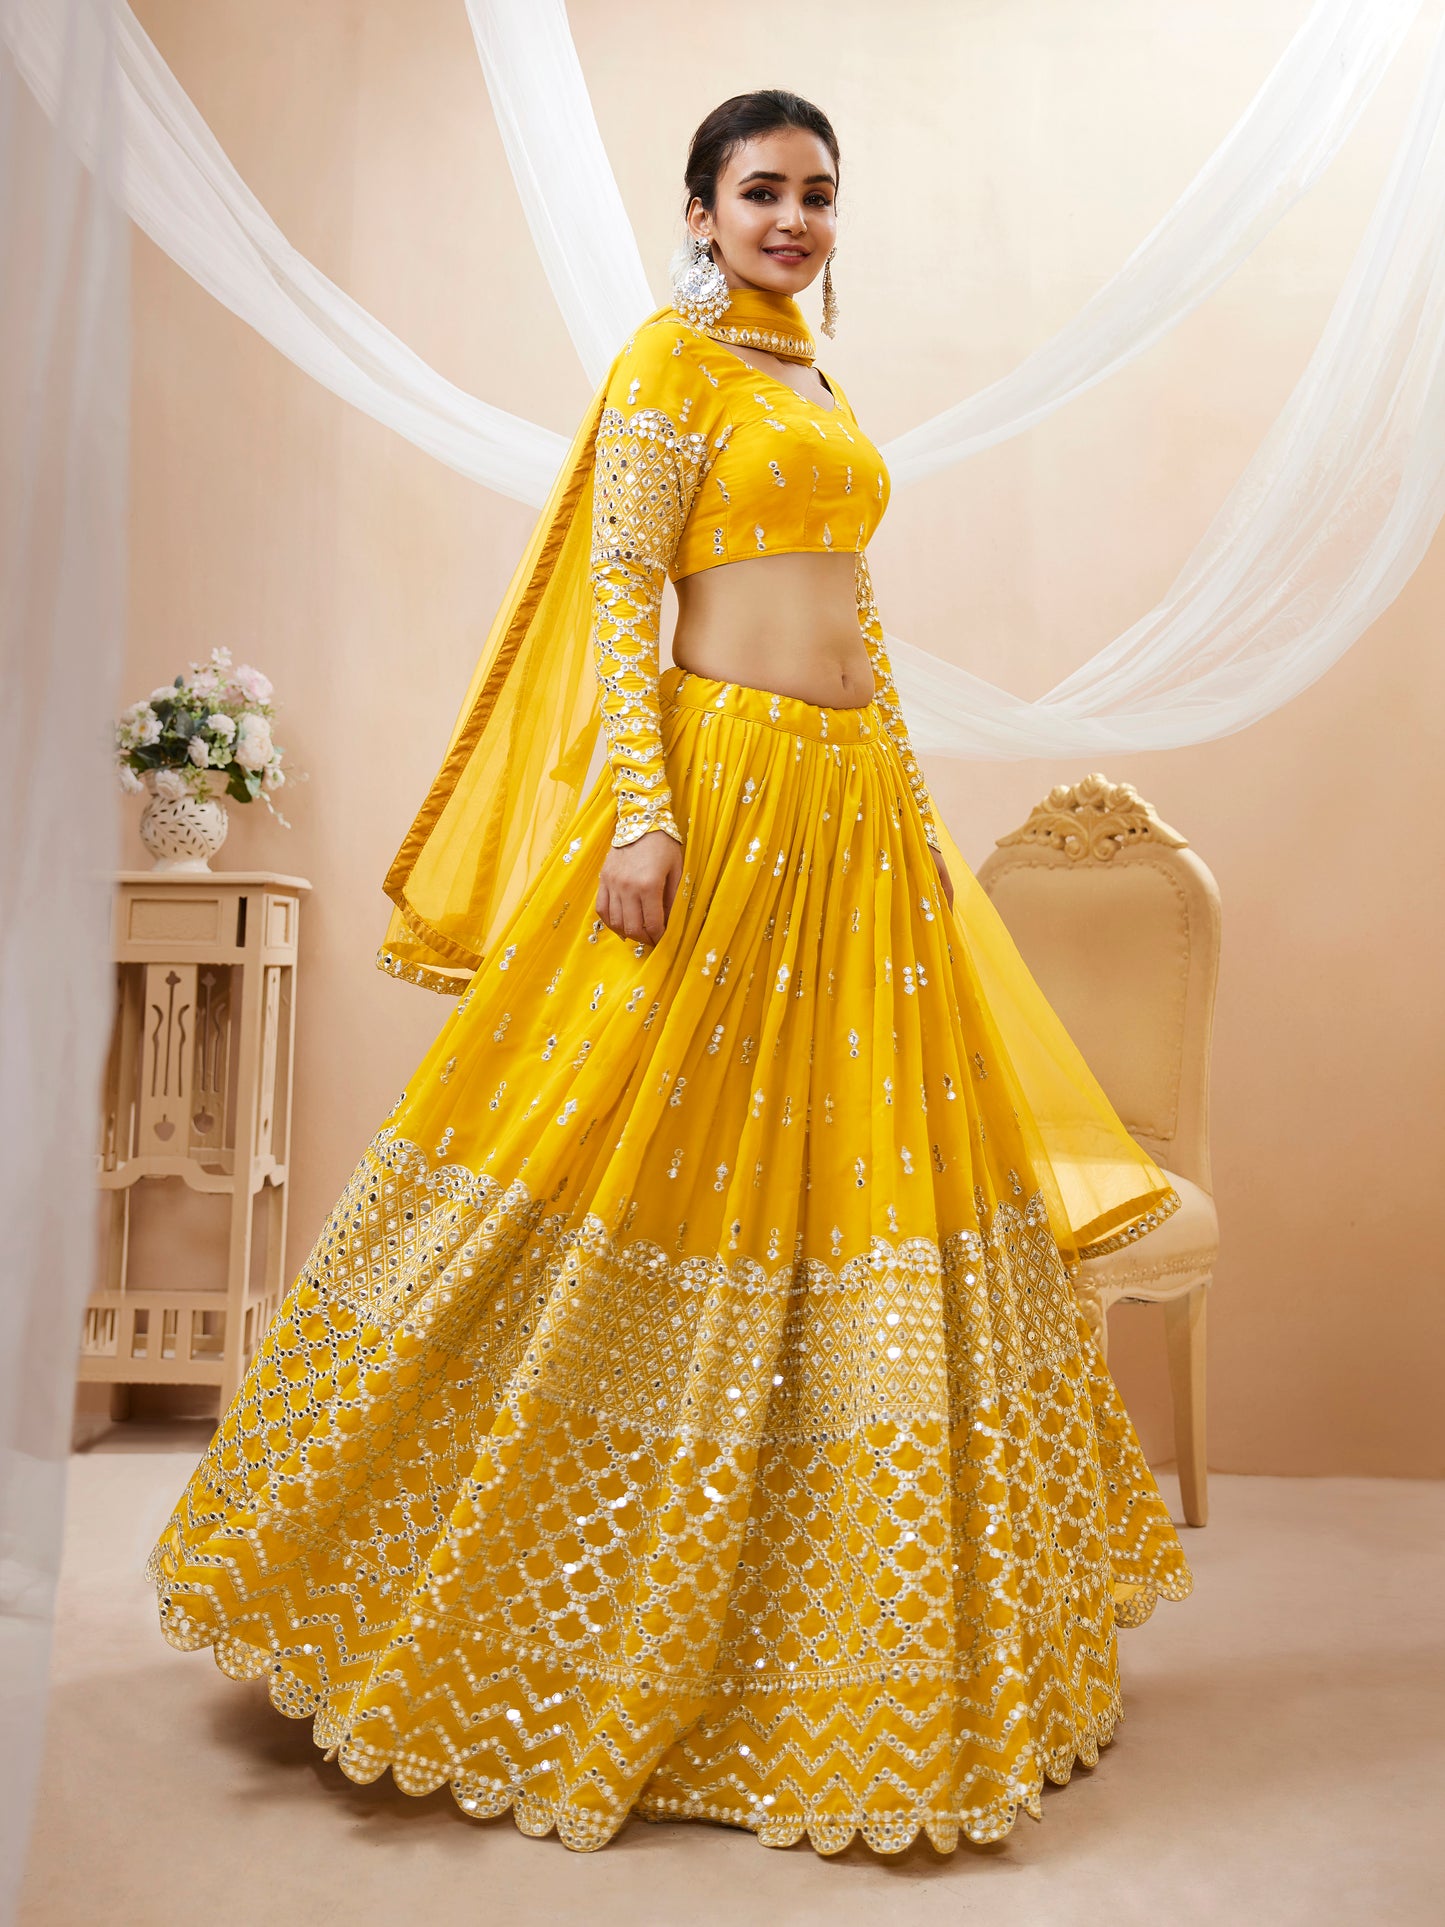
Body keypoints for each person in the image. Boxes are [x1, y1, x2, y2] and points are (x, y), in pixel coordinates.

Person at [147, 89, 1192, 1859]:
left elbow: (850, 611)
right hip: (718, 805)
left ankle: (821, 1629)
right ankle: (455, 1589)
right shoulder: (669, 364)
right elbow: (622, 592)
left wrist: (904, 803)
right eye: (760, 191)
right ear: (698, 210)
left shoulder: (811, 379)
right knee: (621, 1155)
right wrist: (642, 814)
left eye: (817, 194)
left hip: (848, 819)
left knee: (849, 1185)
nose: (793, 219)